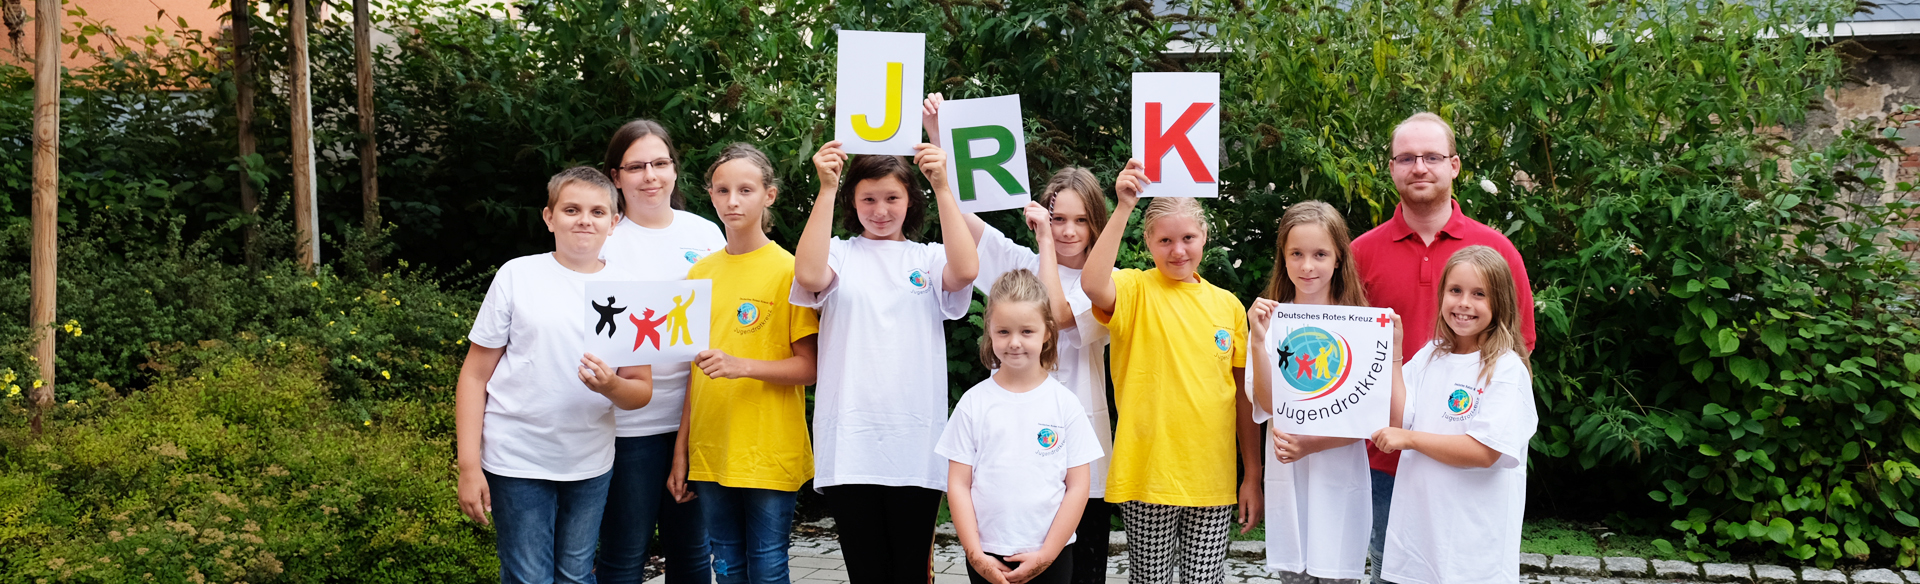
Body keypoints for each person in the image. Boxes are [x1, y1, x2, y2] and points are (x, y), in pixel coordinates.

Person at [922, 93, 1121, 583]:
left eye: (1080, 220)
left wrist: (1046, 244)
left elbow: (1056, 314)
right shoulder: (1020, 262)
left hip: (1076, 465)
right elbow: (963, 215)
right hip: (1010, 462)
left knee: (1080, 573)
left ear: (1097, 222)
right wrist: (937, 141)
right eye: (1058, 219)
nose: (1069, 230)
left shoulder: (1108, 281)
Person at [1351, 112, 1535, 584]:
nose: (1419, 167)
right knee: (1395, 568)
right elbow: (1337, 350)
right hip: (1385, 461)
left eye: (1432, 157)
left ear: (1454, 165)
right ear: (1390, 168)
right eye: (1406, 157)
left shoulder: (1496, 252)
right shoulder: (1361, 253)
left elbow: (1521, 341)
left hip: (1468, 471)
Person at [454, 167, 657, 584]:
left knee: (577, 575)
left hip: (590, 461)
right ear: (549, 217)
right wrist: (468, 466)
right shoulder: (517, 275)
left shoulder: (633, 289)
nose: (585, 219)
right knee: (529, 577)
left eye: (598, 211)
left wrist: (611, 385)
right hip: (517, 458)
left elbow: (640, 391)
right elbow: (474, 376)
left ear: (614, 222)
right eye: (571, 209)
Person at [790, 139, 979, 583]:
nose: (880, 210)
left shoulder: (929, 258)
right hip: (850, 444)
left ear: (910, 200)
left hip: (914, 446)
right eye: (868, 198)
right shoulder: (839, 252)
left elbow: (967, 270)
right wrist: (826, 188)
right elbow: (809, 275)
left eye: (892, 197)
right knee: (866, 570)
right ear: (852, 200)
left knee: (912, 571)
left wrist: (943, 186)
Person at [1082, 163, 1262, 584]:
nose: (1178, 250)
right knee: (1149, 581)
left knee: (1204, 580)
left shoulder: (1229, 306)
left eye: (1188, 238)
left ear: (1204, 238)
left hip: (1211, 478)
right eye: (1165, 240)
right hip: (1147, 473)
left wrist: (1251, 474)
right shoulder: (1133, 289)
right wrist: (1124, 205)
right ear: (1148, 242)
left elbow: (1242, 398)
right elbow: (1092, 284)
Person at [668, 143, 822, 584]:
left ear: (769, 195)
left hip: (769, 449)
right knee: (728, 566)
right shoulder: (699, 275)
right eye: (722, 190)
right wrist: (682, 451)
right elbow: (692, 373)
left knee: (769, 567)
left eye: (746, 190)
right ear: (711, 197)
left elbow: (809, 368)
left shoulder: (790, 271)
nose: (733, 201)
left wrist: (742, 365)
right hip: (712, 450)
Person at [593, 119, 724, 584]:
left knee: (692, 556)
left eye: (660, 163)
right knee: (623, 555)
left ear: (674, 169)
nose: (650, 175)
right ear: (615, 177)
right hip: (626, 426)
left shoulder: (708, 235)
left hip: (696, 419)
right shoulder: (603, 237)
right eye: (636, 166)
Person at [1245, 201, 1401, 584]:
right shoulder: (1270, 321)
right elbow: (1267, 403)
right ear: (1283, 258)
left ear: (1338, 259)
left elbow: (1373, 416)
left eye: (1319, 254)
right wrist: (1257, 341)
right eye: (1296, 254)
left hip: (1339, 481)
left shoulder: (1362, 326)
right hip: (1290, 484)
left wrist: (1313, 443)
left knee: (1337, 571)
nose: (1307, 266)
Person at [1370, 246, 1538, 584]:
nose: (1464, 303)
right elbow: (1402, 419)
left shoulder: (1505, 369)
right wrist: (1395, 354)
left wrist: (1411, 440)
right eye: (1455, 291)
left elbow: (1485, 451)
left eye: (1479, 294)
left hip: (1472, 554)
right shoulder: (1431, 354)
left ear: (1500, 301)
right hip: (1417, 544)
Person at [940, 269, 1105, 584]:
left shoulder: (1066, 404)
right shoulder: (973, 404)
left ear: (1047, 332)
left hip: (1051, 555)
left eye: (1027, 331)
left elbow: (1078, 486)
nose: (1014, 343)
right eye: (1003, 332)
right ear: (989, 331)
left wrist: (1046, 555)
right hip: (987, 556)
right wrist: (975, 553)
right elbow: (959, 484)